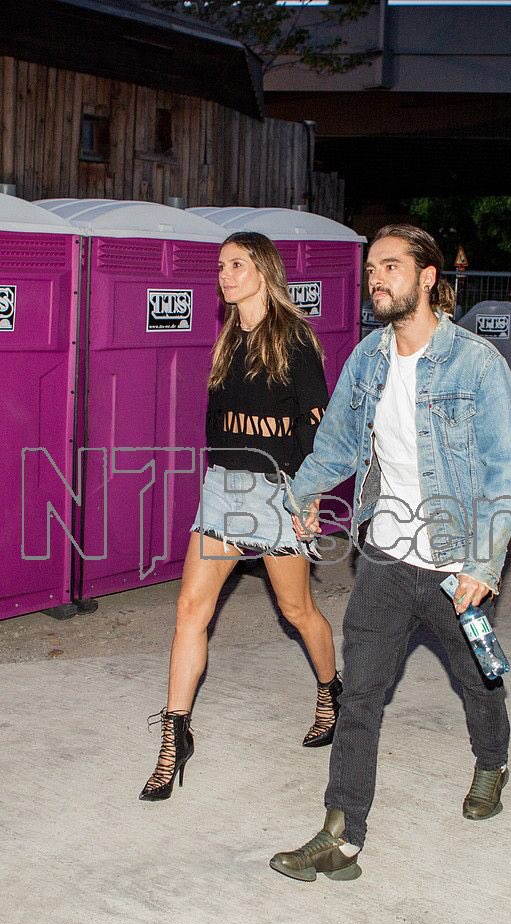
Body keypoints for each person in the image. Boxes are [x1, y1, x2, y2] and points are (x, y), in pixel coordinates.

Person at [269, 224, 511, 881]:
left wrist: (483, 562)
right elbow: (338, 442)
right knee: (359, 697)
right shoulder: (368, 358)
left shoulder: (477, 364)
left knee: (479, 677)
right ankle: (341, 835)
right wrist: (302, 492)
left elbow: (505, 472)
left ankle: (493, 760)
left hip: (453, 563)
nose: (376, 279)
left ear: (428, 277)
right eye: (371, 269)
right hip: (385, 557)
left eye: (390, 266)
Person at [139, 232, 340, 801]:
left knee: (297, 610)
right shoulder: (229, 338)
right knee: (189, 609)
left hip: (279, 492)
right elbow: (216, 420)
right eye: (221, 266)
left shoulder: (294, 338)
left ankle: (331, 690)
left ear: (264, 271)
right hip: (225, 490)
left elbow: (316, 426)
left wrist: (309, 498)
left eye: (237, 264)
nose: (225, 275)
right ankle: (175, 735)